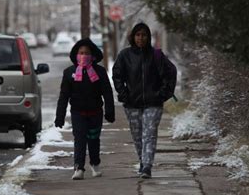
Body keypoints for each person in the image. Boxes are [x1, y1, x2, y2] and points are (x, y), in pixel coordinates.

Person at [112, 23, 176, 179]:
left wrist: (162, 94)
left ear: (148, 37)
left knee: (149, 133)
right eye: (138, 35)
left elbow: (171, 73)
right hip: (132, 103)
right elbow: (117, 75)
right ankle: (142, 161)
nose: (141, 38)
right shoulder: (125, 55)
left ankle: (147, 166)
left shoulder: (156, 55)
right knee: (137, 135)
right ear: (133, 37)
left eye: (144, 35)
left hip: (153, 103)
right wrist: (124, 94)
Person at [54, 38, 115, 180]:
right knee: (79, 139)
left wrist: (109, 111)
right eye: (81, 53)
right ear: (76, 55)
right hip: (77, 113)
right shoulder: (69, 72)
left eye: (87, 53)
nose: (83, 55)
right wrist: (60, 116)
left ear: (92, 55)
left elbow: (107, 92)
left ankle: (95, 164)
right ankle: (79, 167)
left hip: (95, 113)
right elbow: (63, 96)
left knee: (93, 139)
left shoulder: (99, 72)